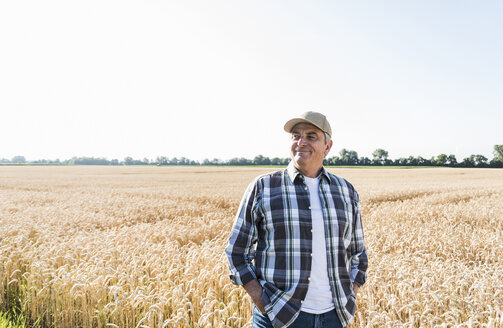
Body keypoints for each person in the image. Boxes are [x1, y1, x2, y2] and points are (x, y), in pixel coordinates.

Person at [225, 111, 368, 328]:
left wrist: (352, 292)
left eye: (311, 136)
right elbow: (237, 251)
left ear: (327, 147)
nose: (301, 142)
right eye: (295, 135)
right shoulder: (264, 187)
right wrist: (261, 299)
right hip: (279, 314)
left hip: (334, 316)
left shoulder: (345, 191)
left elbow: (358, 253)